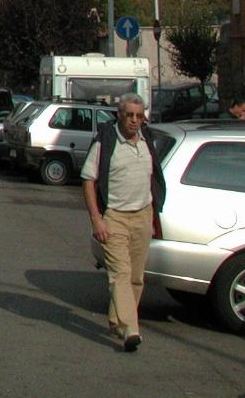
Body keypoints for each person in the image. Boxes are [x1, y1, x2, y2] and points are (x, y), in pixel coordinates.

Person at [80, 94, 166, 353]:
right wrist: (97, 219)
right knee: (120, 275)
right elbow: (88, 181)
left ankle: (118, 321)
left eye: (139, 116)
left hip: (142, 216)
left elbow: (154, 179)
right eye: (130, 115)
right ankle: (131, 329)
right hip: (114, 217)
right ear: (120, 115)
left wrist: (153, 217)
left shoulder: (146, 141)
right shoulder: (105, 143)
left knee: (136, 278)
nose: (135, 121)